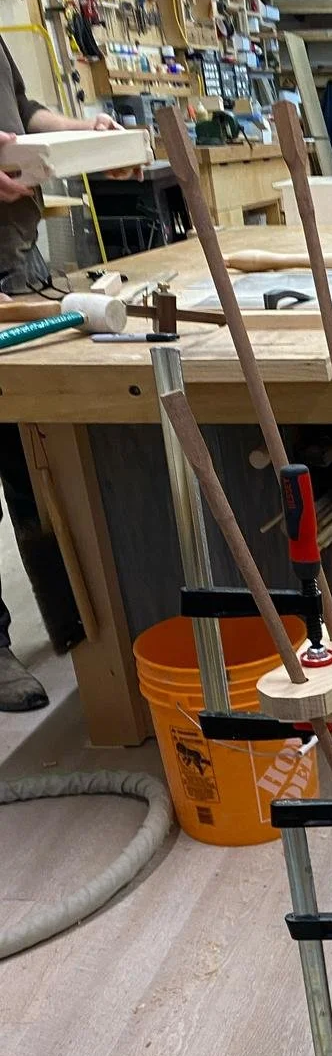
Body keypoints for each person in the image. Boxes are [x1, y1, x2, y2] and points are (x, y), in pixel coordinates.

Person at [0, 38, 121, 710]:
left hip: (18, 262)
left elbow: (25, 111)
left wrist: (88, 133)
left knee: (37, 457)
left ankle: (72, 621)